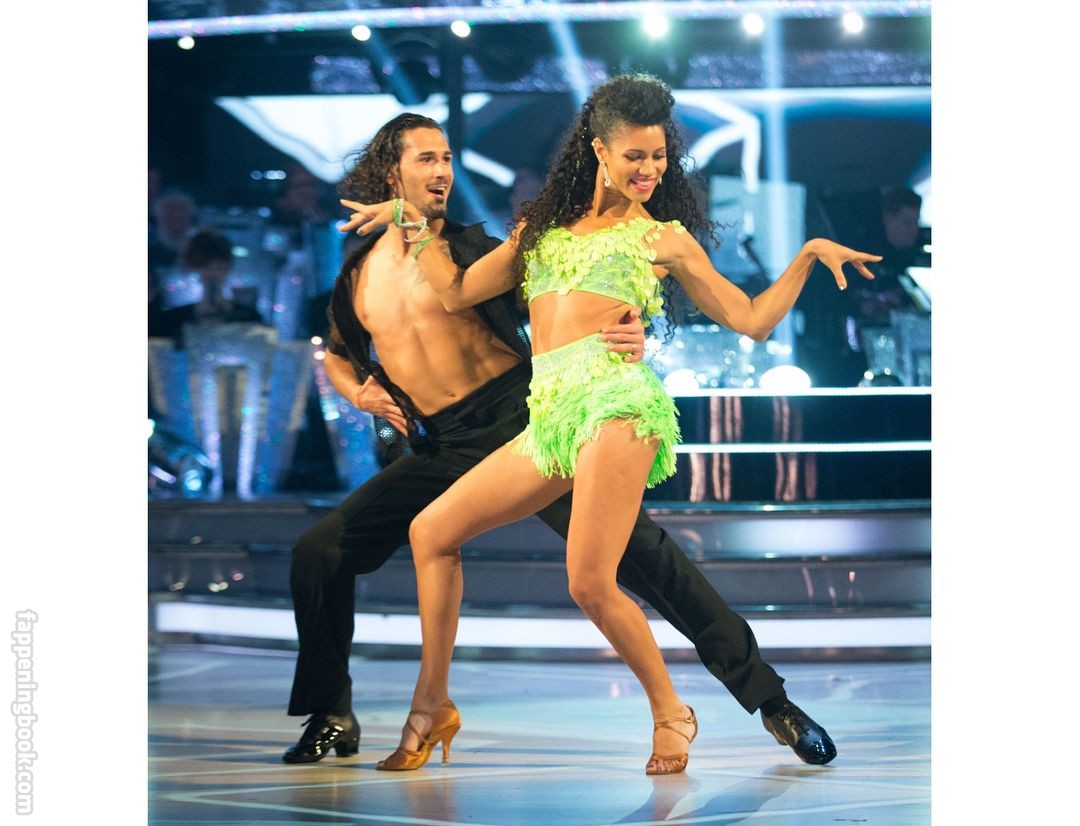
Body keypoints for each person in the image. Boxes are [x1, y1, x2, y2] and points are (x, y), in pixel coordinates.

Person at [338, 79, 877, 774]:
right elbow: (456, 290)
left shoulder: (662, 238)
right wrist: (410, 220)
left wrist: (805, 257)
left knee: (590, 581)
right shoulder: (540, 232)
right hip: (550, 418)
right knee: (430, 531)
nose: (649, 171)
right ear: (598, 149)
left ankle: (672, 713)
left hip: (617, 404)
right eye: (635, 156)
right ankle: (433, 702)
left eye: (659, 157)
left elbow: (751, 319)